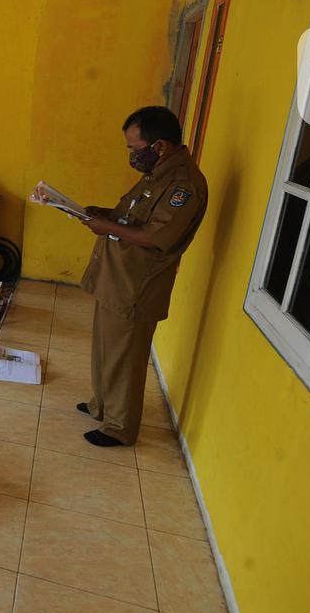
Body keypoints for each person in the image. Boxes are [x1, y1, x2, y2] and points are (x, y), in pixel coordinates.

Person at [70, 105, 207, 447]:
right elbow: (132, 216)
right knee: (106, 347)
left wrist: (107, 226)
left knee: (126, 357)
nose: (131, 154)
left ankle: (120, 426)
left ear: (158, 146)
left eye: (134, 148)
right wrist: (103, 215)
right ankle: (102, 405)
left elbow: (156, 236)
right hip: (117, 276)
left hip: (138, 284)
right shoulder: (158, 174)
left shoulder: (184, 185)